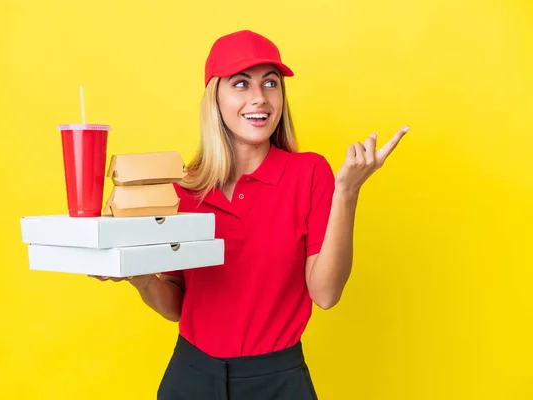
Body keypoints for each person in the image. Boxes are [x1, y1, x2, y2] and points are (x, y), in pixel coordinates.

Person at [92, 30, 409, 400]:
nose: (259, 98)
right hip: (191, 377)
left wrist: (348, 192)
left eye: (270, 83)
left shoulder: (308, 174)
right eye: (241, 84)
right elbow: (177, 305)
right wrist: (141, 278)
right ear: (216, 98)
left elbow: (325, 294)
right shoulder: (185, 188)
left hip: (277, 381)